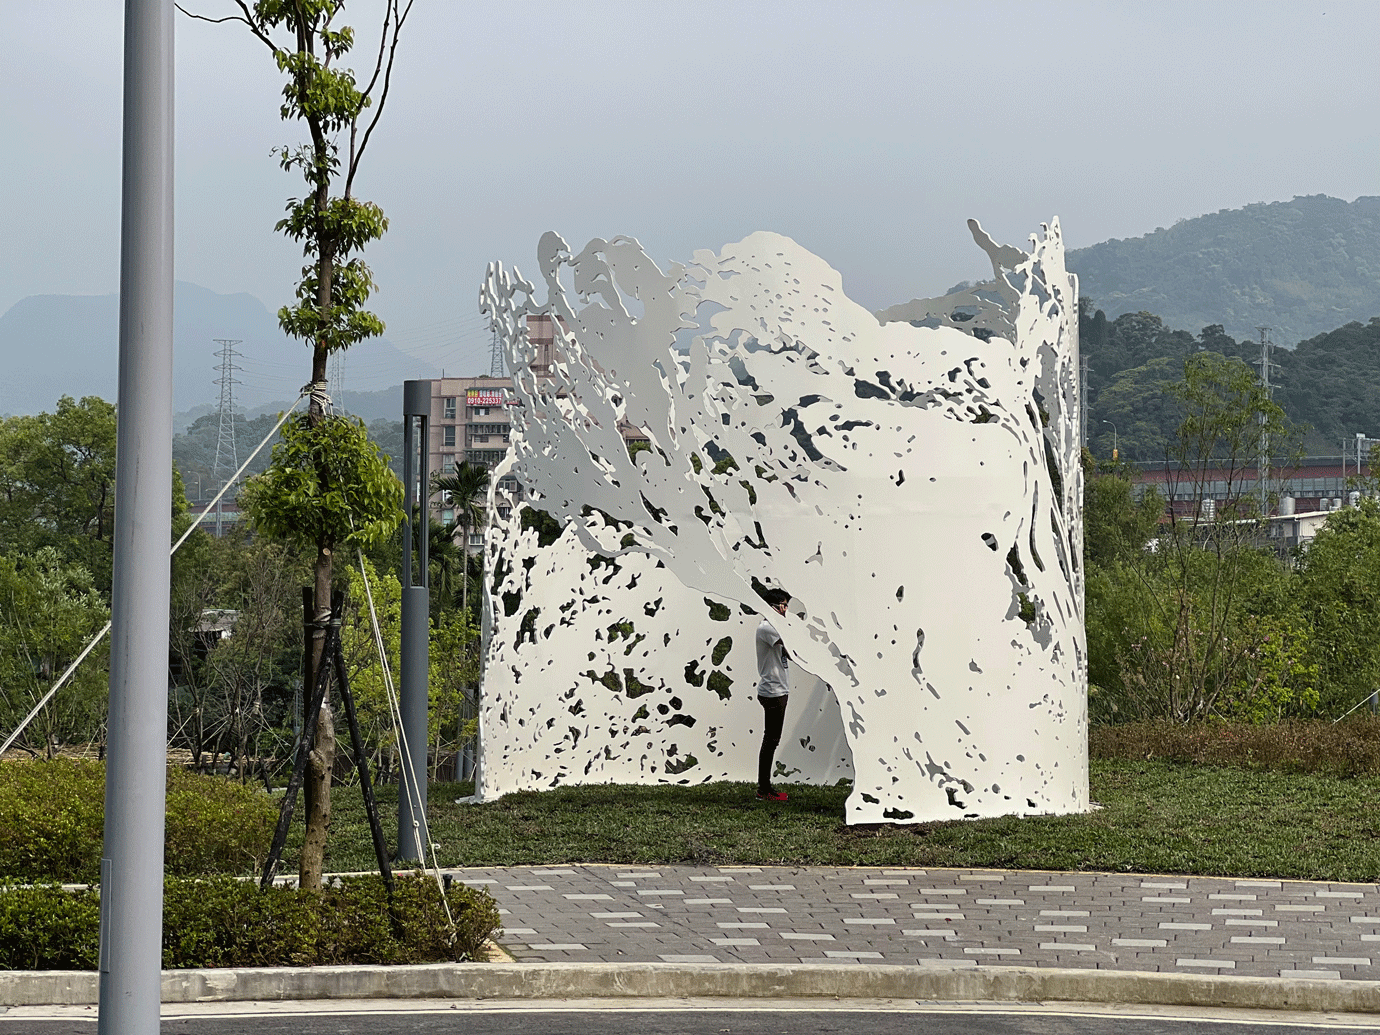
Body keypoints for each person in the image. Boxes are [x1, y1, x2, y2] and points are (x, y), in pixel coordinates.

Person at [755, 587, 792, 802]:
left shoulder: (773, 628)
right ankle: (764, 789)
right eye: (783, 606)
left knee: (771, 740)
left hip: (778, 689)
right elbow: (791, 647)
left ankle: (765, 788)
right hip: (773, 691)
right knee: (771, 741)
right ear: (772, 607)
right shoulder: (767, 628)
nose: (785, 610)